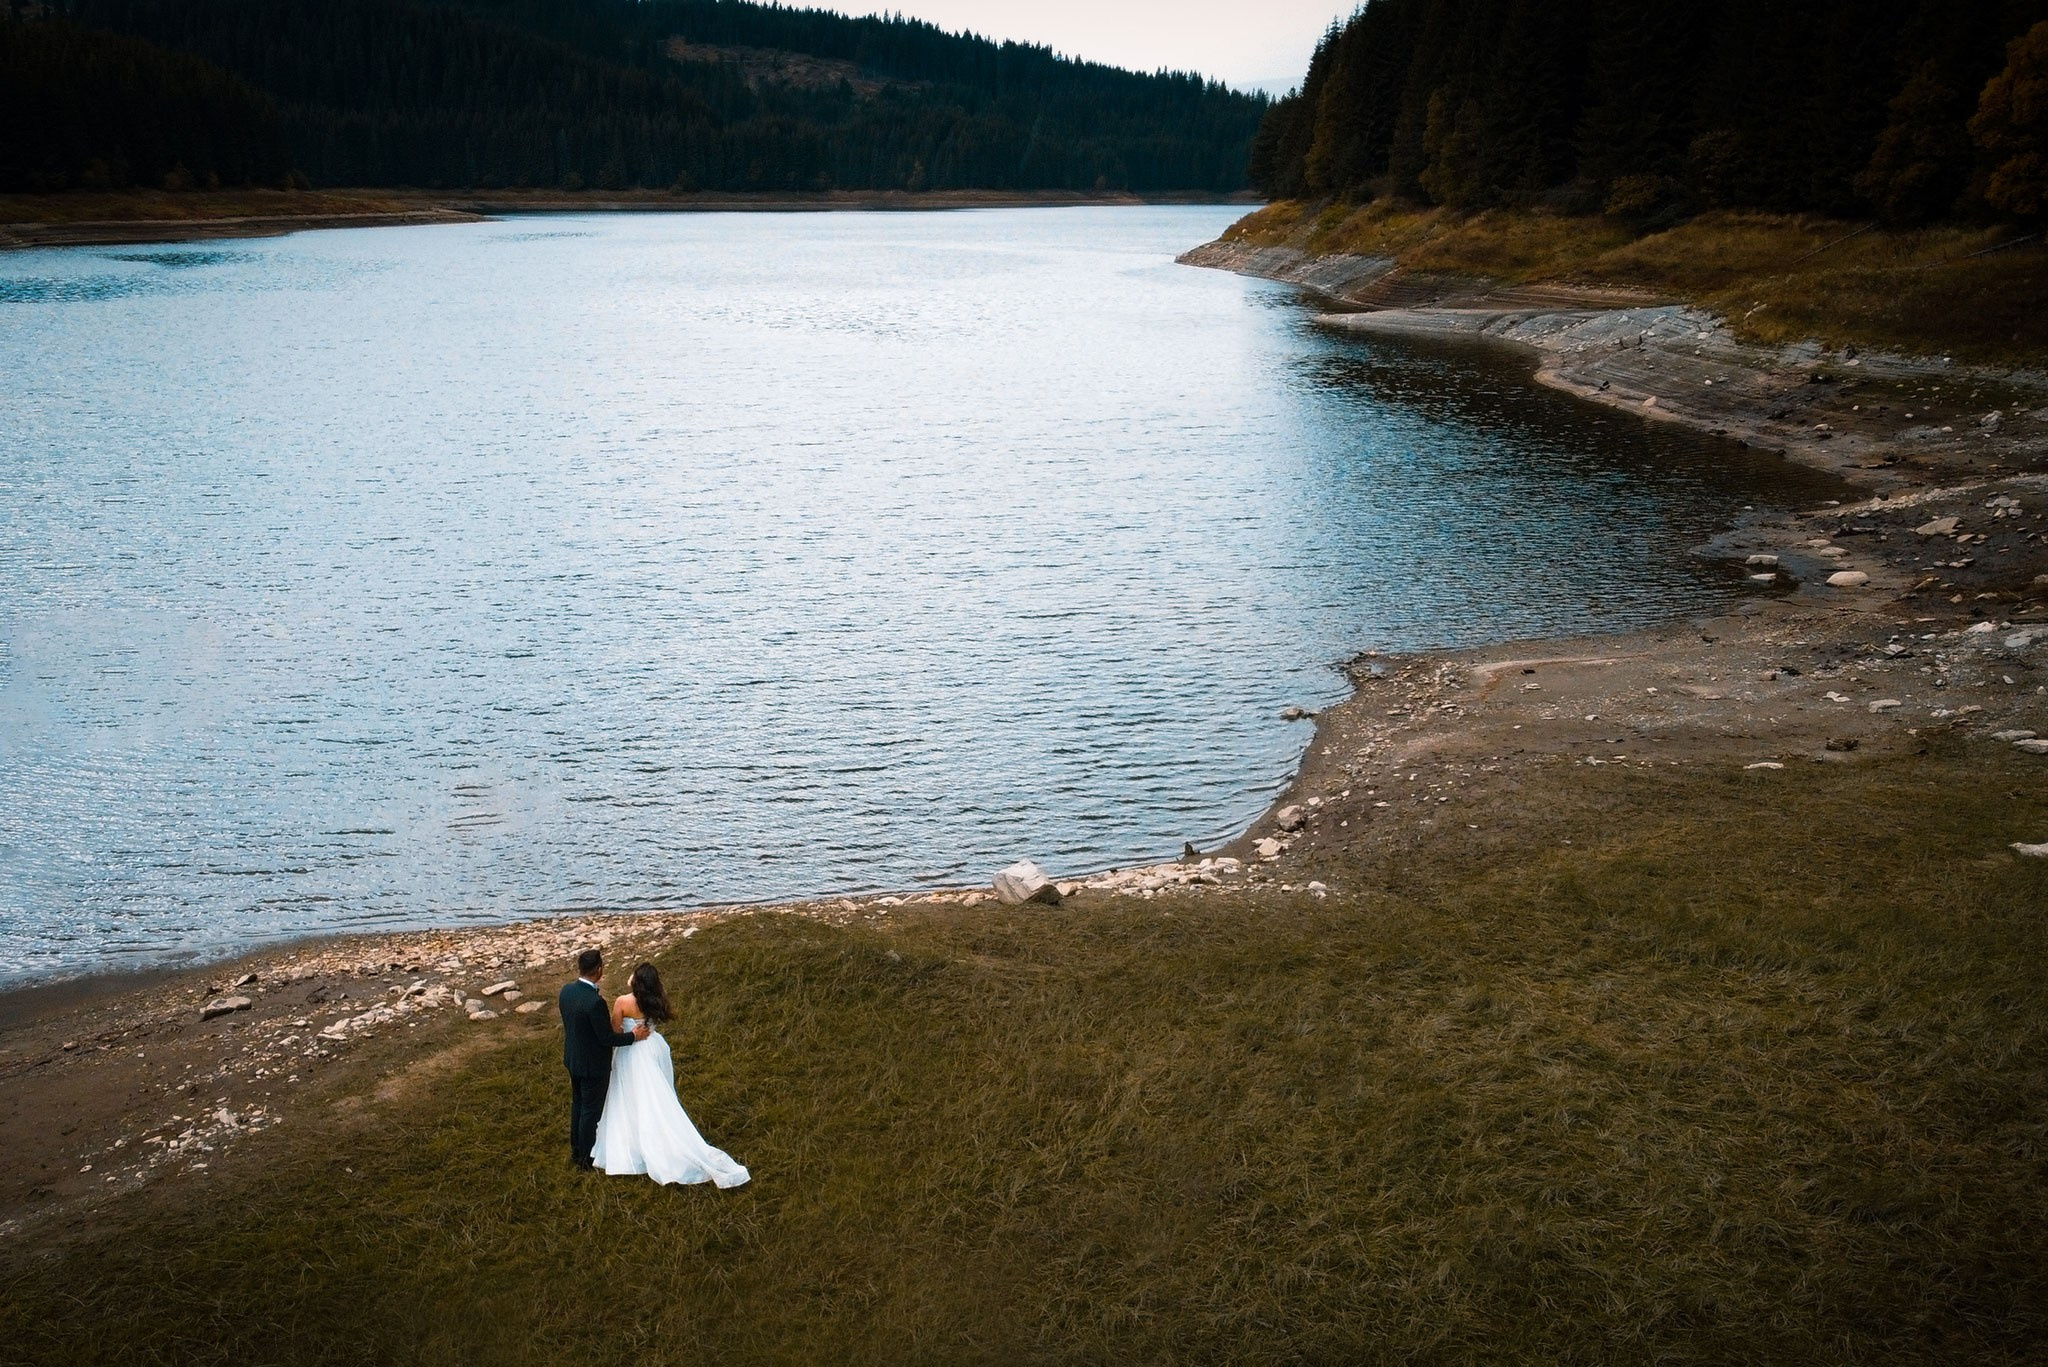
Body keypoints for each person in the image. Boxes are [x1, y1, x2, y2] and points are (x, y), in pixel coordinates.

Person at [590, 962, 750, 1188]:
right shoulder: (657, 999)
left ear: (636, 980)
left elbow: (615, 1031)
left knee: (630, 1095)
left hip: (631, 1053)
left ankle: (636, 1143)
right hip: (654, 1048)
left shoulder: (623, 1002)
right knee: (656, 1094)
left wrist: (630, 1033)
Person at [559, 948, 648, 1171]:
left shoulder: (566, 991)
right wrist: (633, 1036)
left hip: (573, 1058)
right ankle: (585, 1158)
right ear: (599, 970)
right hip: (593, 1065)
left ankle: (576, 1150)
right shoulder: (595, 1002)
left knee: (578, 1105)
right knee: (590, 1111)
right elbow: (606, 1038)